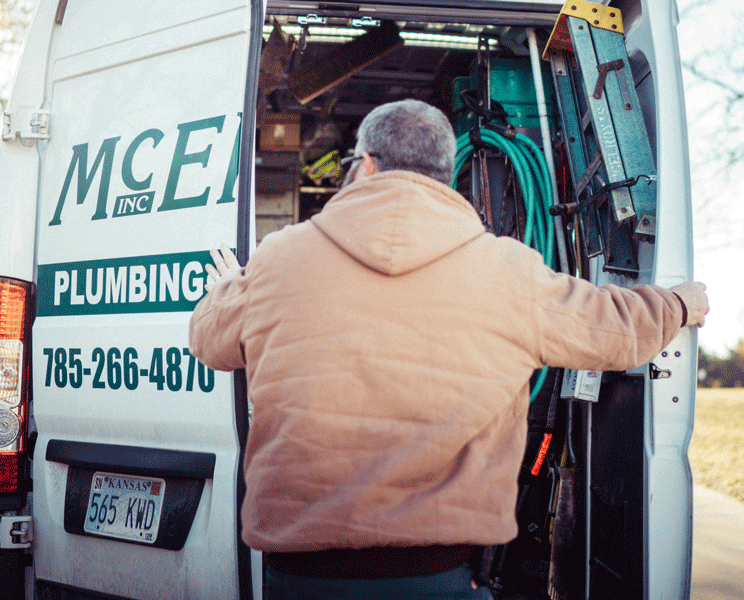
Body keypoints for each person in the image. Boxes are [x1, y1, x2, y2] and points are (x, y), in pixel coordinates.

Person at [188, 99, 709, 600]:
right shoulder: (511, 270)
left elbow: (210, 343)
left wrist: (230, 286)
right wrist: (680, 304)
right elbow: (615, 331)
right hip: (444, 575)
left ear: (365, 165)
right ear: (443, 173)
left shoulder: (279, 260)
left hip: (302, 576)